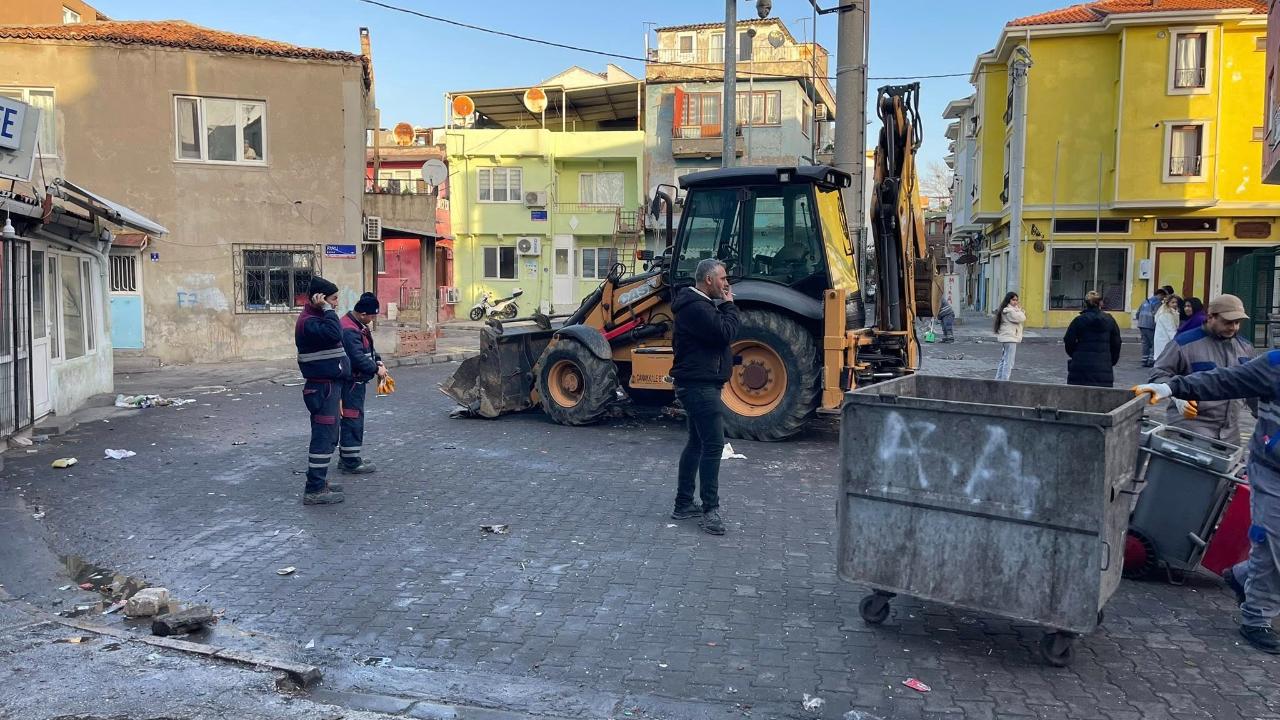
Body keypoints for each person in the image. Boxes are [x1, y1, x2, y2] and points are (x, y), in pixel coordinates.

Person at [1132, 347, 1280, 654]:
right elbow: (1225, 380)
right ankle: (1256, 618)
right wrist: (1171, 387)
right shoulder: (1275, 365)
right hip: (1272, 470)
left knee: (1271, 551)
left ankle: (1242, 575)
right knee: (1272, 540)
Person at [670, 258, 740, 536]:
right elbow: (725, 332)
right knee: (714, 445)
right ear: (708, 280)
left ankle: (684, 503)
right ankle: (710, 511)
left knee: (697, 443)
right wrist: (729, 305)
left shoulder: (699, 305)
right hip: (699, 386)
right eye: (722, 278)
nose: (726, 283)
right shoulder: (697, 307)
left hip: (699, 383)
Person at [1150, 294, 1255, 441]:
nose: (1233, 327)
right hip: (1190, 428)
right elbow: (1158, 373)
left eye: (1237, 323)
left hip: (1230, 433)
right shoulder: (1183, 344)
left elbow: (1254, 385)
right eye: (1227, 322)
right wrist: (1177, 396)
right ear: (1210, 317)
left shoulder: (1245, 348)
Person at [295, 276, 348, 505]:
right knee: (323, 438)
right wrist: (327, 309)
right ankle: (314, 489)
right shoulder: (309, 322)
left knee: (330, 437)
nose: (335, 304)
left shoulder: (317, 319)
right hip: (322, 388)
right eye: (333, 299)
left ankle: (319, 481)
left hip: (328, 386)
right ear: (319, 298)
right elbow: (336, 334)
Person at [338, 292, 388, 476]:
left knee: (352, 418)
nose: (373, 320)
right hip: (351, 382)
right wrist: (376, 369)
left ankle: (347, 457)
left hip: (355, 381)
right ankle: (350, 462)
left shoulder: (357, 325)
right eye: (372, 316)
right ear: (363, 314)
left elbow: (368, 349)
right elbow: (357, 357)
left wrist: (378, 360)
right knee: (353, 419)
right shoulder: (349, 330)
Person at [1064, 291, 1122, 387]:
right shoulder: (1109, 320)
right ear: (1100, 303)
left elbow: (1068, 340)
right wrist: (1110, 360)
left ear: (1085, 304)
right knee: (1102, 395)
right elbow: (1116, 343)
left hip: (1080, 368)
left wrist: (1075, 355)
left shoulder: (1079, 320)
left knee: (1077, 394)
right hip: (1103, 370)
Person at [993, 291, 1025, 381]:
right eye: (1013, 300)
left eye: (1017, 300)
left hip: (1007, 338)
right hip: (1010, 338)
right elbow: (1021, 318)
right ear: (1008, 300)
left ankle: (998, 379)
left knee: (1004, 360)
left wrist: (1018, 310)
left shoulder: (1007, 310)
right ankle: (1005, 381)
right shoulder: (1009, 311)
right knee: (1009, 362)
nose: (1015, 302)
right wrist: (1020, 311)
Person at [1135, 287, 1167, 367]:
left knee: (1145, 343)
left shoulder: (1145, 301)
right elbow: (1157, 315)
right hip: (1151, 325)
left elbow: (1137, 314)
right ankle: (1151, 360)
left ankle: (1144, 360)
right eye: (1163, 296)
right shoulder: (1157, 303)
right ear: (1160, 295)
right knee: (1153, 343)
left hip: (1142, 324)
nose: (1163, 298)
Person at [1153, 293, 1181, 361]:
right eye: (1172, 302)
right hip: (1165, 340)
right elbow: (1170, 330)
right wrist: (1177, 342)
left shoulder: (1171, 313)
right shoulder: (1166, 314)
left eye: (1176, 302)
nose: (1175, 304)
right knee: (1165, 359)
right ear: (1168, 303)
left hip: (1163, 339)